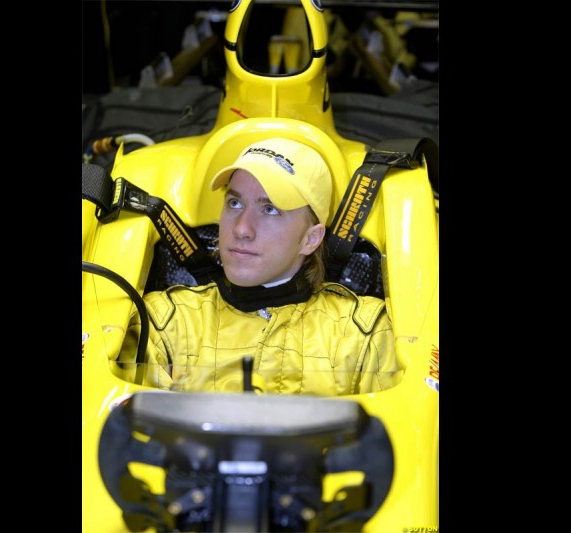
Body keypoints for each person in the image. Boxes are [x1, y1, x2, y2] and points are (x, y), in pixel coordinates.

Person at [119, 137, 401, 395]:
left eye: (270, 209)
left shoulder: (364, 333)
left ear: (310, 239)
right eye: (234, 203)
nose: (241, 229)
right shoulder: (161, 322)